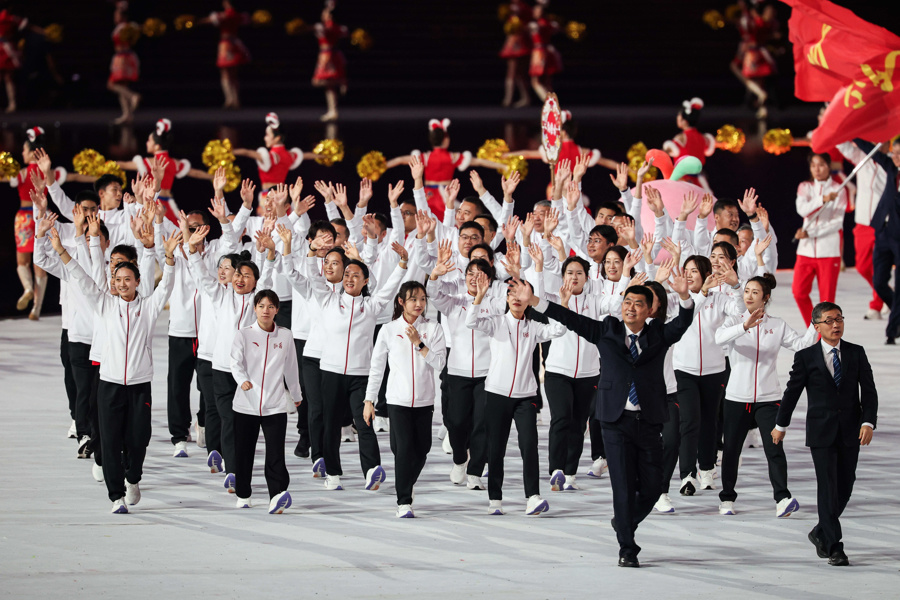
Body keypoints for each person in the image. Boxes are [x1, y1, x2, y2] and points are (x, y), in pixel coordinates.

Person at [515, 265, 694, 567]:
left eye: (638, 304)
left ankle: (623, 521)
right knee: (622, 486)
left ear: (650, 309)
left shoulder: (659, 334)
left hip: (649, 421)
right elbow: (570, 319)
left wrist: (685, 297)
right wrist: (535, 302)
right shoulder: (607, 329)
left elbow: (684, 321)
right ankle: (627, 547)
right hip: (614, 421)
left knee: (652, 487)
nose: (631, 308)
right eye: (627, 302)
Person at [48, 224, 181, 513]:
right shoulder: (104, 304)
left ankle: (133, 478)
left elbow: (167, 285)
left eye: (127, 279)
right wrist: (61, 251)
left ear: (136, 281)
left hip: (139, 385)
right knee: (108, 441)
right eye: (117, 279)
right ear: (113, 281)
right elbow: (81, 279)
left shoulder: (148, 307)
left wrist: (168, 259)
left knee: (138, 439)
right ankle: (116, 495)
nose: (122, 283)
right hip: (108, 383)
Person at [772, 302, 877, 566]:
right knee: (828, 487)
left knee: (846, 485)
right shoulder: (806, 357)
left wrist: (868, 423)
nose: (836, 325)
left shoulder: (856, 352)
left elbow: (870, 391)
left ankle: (820, 531)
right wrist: (780, 425)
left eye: (839, 319)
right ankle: (834, 547)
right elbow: (792, 393)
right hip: (821, 433)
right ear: (816, 326)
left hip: (852, 431)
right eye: (829, 321)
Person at [306, 238, 410, 491]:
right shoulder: (328, 301)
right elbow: (313, 276)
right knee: (330, 426)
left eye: (357, 275)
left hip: (360, 377)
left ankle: (372, 469)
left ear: (366, 282)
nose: (350, 278)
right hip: (330, 373)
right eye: (347, 274)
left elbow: (390, 285)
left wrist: (403, 262)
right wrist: (311, 252)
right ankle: (333, 473)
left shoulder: (372, 306)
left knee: (364, 423)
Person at [466, 253, 566, 516]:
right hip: (496, 394)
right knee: (495, 448)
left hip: (526, 397)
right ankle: (495, 499)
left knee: (529, 445)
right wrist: (479, 296)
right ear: (507, 299)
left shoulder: (534, 326)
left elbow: (559, 330)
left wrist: (559, 304)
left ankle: (532, 496)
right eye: (512, 294)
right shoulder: (497, 323)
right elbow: (471, 321)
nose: (516, 298)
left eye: (522, 295)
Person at [714, 274, 818, 518]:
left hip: (769, 398)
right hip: (736, 398)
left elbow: (802, 345)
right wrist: (744, 327)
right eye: (746, 291)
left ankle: (782, 498)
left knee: (774, 448)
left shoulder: (777, 325)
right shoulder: (734, 321)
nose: (748, 295)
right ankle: (727, 498)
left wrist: (815, 326)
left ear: (766, 297)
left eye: (754, 292)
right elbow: (718, 339)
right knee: (731, 450)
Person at [188, 224, 273, 494]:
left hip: (249, 373)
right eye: (237, 274)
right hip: (222, 369)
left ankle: (238, 464)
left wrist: (269, 251)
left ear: (255, 281)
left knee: (243, 423)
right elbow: (202, 275)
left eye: (246, 275)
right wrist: (192, 250)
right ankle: (234, 471)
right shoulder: (220, 295)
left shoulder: (260, 301)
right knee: (228, 418)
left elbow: (268, 271)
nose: (240, 279)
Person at [364, 282, 447, 517]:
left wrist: (419, 344)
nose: (419, 304)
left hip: (424, 401)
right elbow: (377, 367)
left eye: (422, 299)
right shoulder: (389, 330)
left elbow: (440, 364)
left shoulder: (434, 329)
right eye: (413, 299)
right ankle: (404, 501)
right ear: (401, 302)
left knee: (422, 450)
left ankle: (404, 482)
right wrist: (370, 400)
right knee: (403, 450)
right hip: (397, 401)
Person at [230, 289, 301, 514]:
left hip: (275, 404)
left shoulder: (285, 336)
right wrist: (242, 381)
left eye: (270, 306)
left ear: (277, 310)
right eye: (261, 306)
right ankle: (243, 493)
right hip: (246, 404)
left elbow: (291, 369)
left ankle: (278, 494)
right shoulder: (244, 334)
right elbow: (235, 363)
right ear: (255, 308)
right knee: (244, 452)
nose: (266, 311)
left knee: (275, 453)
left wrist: (297, 396)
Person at [383, 123, 504, 220]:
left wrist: (379, 167)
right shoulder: (451, 157)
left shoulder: (425, 157)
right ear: (446, 140)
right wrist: (503, 166)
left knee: (423, 221)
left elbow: (399, 160)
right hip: (446, 194)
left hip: (427, 195)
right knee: (451, 221)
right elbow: (479, 162)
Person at [792, 152, 849, 325]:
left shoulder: (839, 189)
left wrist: (811, 233)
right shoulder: (805, 187)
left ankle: (824, 340)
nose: (817, 169)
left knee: (827, 302)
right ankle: (815, 327)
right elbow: (802, 210)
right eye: (813, 165)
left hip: (828, 250)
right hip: (806, 250)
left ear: (829, 166)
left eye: (822, 164)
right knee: (799, 292)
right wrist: (822, 200)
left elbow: (837, 223)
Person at [853, 137, 900, 344]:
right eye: (894, 152)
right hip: (882, 232)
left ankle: (892, 330)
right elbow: (871, 149)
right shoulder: (890, 166)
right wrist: (853, 133)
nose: (895, 157)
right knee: (879, 282)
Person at [836, 140, 888, 320]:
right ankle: (885, 292)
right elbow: (841, 144)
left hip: (885, 222)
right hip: (863, 221)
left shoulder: (891, 160)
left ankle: (877, 304)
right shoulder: (862, 156)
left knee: (882, 265)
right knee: (863, 266)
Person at [232, 113, 318, 198]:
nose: (265, 138)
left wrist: (229, 152)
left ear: (277, 138)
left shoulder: (269, 157)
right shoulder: (290, 155)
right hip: (282, 195)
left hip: (269, 196)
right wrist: (324, 156)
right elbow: (306, 155)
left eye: (267, 135)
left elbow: (247, 152)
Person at [200, 0, 250, 108]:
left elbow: (209, 20)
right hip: (234, 44)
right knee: (233, 74)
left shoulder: (226, 15)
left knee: (225, 73)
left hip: (226, 45)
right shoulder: (238, 15)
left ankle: (230, 99)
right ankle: (235, 99)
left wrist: (197, 21)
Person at [663, 98, 716, 192]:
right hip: (700, 182)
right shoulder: (703, 138)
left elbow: (665, 153)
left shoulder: (681, 138)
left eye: (678, 117)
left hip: (682, 181)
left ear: (685, 121)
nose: (677, 119)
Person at [312, 1, 348, 122]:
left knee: (321, 81)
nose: (323, 15)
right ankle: (333, 110)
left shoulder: (330, 26)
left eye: (325, 13)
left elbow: (332, 32)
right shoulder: (327, 26)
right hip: (328, 55)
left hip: (328, 56)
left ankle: (341, 82)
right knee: (329, 86)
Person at [107, 2, 141, 124]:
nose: (115, 17)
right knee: (122, 86)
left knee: (111, 84)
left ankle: (133, 96)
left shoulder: (126, 27)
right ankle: (127, 115)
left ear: (122, 16)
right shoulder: (124, 27)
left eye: (116, 14)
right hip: (123, 56)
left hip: (123, 57)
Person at [499, 0, 532, 108]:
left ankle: (509, 99)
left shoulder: (519, 7)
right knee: (518, 73)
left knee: (514, 71)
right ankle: (525, 97)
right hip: (515, 40)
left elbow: (522, 23)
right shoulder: (517, 7)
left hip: (518, 41)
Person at [527, 0, 561, 102]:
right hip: (547, 51)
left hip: (540, 52)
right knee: (546, 81)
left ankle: (549, 103)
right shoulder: (550, 23)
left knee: (536, 81)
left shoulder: (537, 25)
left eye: (536, 11)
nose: (534, 12)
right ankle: (552, 103)